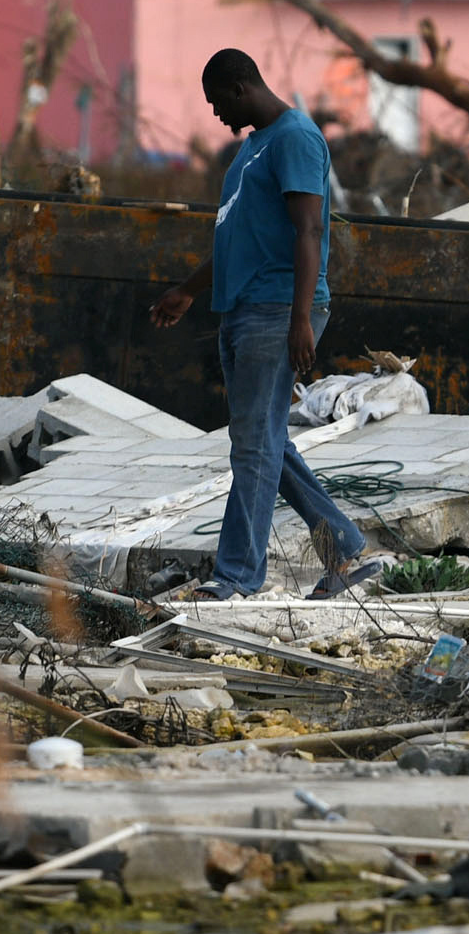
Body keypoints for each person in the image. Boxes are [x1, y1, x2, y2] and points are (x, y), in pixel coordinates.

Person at [150, 50, 383, 600]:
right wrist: (188, 290)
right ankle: (347, 551)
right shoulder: (253, 148)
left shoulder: (295, 139)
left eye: (216, 103)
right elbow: (238, 236)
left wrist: (301, 317)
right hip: (242, 308)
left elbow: (309, 231)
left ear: (238, 87)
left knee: (253, 445)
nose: (216, 116)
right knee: (266, 442)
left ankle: (236, 578)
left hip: (278, 309)